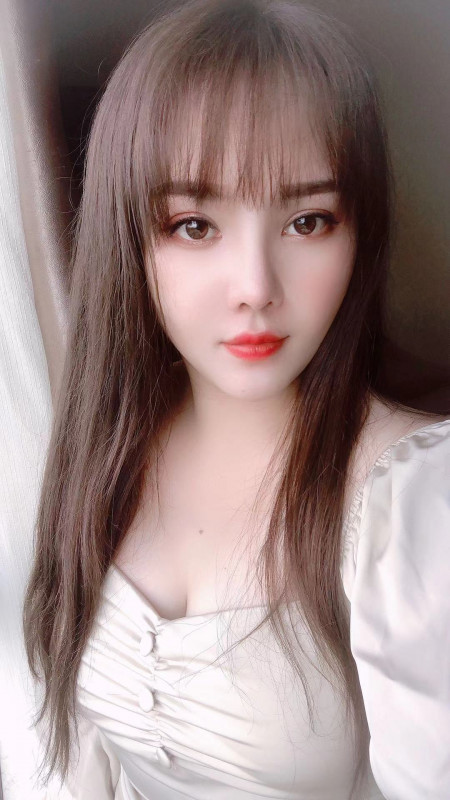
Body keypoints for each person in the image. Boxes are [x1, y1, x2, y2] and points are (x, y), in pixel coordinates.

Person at [22, 0, 450, 798]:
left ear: (361, 233)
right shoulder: (108, 452)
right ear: (129, 238)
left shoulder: (410, 500)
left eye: (308, 221)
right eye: (195, 226)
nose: (255, 287)